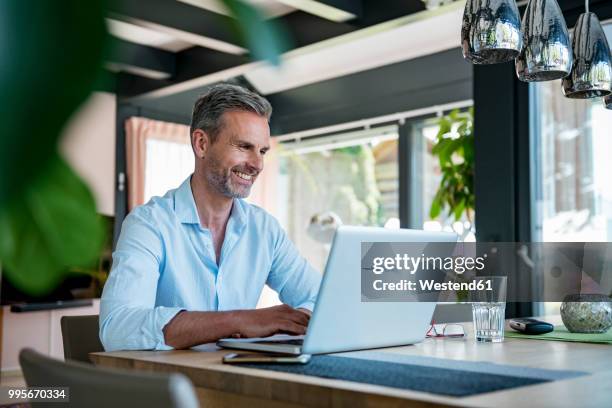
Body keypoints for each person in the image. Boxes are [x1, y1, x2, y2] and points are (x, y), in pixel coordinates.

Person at [100, 84, 321, 351]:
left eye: (262, 151)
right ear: (201, 143)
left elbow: (320, 298)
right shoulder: (148, 224)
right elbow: (118, 328)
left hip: (239, 380)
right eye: (243, 146)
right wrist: (239, 320)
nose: (257, 164)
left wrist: (286, 324)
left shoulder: (265, 230)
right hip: (166, 387)